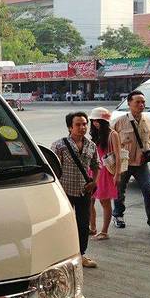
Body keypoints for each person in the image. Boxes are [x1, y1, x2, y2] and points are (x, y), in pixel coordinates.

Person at [112, 90, 150, 231]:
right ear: (129, 103)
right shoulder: (119, 122)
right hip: (124, 163)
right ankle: (118, 215)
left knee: (149, 190)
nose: (141, 105)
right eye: (137, 102)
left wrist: (147, 149)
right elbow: (110, 141)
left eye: (143, 102)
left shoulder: (147, 120)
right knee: (119, 191)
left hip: (141, 163)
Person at [52, 112, 100, 268]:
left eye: (84, 124)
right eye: (78, 124)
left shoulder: (91, 145)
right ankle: (60, 255)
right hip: (64, 192)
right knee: (63, 224)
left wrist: (94, 182)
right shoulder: (59, 145)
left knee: (83, 224)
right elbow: (52, 168)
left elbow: (96, 166)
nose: (82, 127)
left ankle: (81, 254)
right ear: (69, 127)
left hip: (83, 191)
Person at [88, 107, 121, 240]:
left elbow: (118, 155)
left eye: (98, 120)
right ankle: (93, 227)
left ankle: (104, 231)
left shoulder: (112, 134)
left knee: (104, 202)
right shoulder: (95, 134)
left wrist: (117, 174)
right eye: (93, 120)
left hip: (106, 171)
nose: (95, 123)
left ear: (104, 121)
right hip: (94, 169)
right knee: (90, 200)